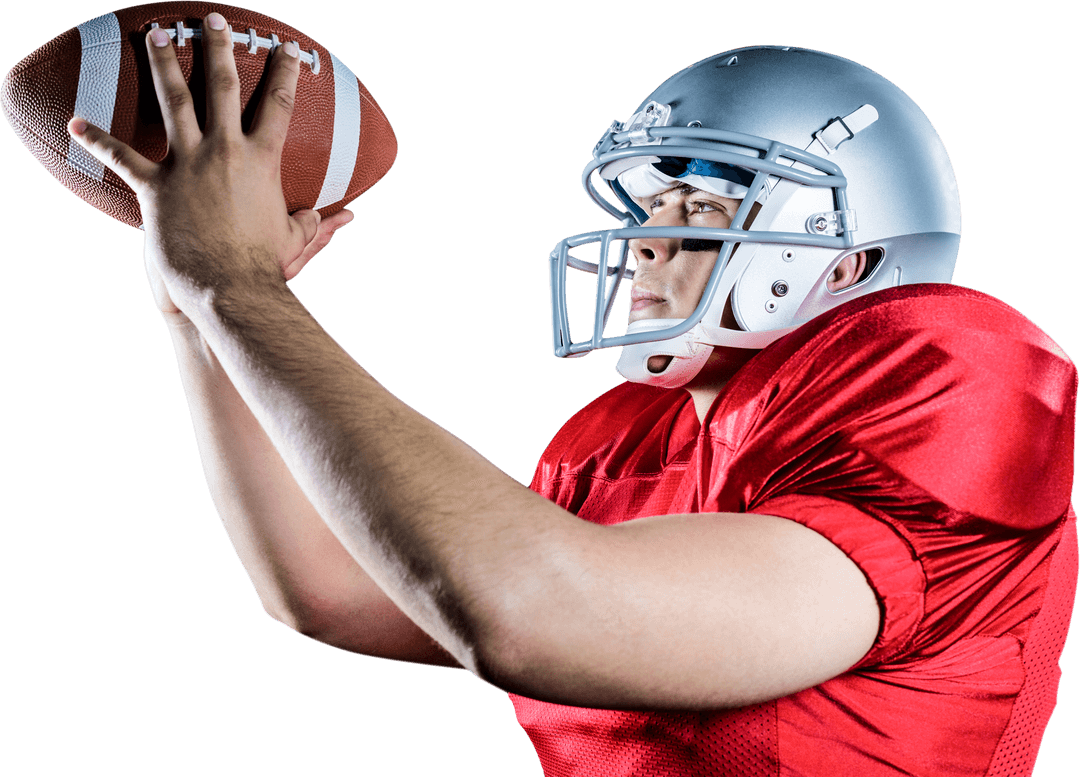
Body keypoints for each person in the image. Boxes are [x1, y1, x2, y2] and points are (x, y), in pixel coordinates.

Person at [66, 18, 1076, 776]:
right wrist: (198, 313)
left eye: (700, 205)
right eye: (648, 205)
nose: (646, 241)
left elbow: (531, 613)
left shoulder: (953, 381)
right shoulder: (627, 442)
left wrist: (239, 287)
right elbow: (327, 589)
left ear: (845, 261)